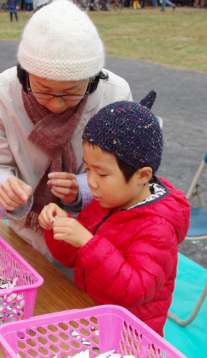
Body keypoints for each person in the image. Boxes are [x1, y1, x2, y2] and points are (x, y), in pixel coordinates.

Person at [0, 0, 132, 259]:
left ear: (92, 81)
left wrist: (84, 187)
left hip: (96, 237)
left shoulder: (115, 94)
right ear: (24, 75)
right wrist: (3, 187)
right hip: (27, 234)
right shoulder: (1, 93)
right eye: (43, 90)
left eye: (71, 92)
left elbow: (129, 171)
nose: (57, 103)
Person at [39, 91, 189, 335]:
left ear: (142, 176)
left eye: (103, 174)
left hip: (129, 336)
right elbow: (71, 258)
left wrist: (87, 242)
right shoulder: (106, 201)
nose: (91, 183)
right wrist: (59, 226)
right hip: (92, 319)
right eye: (87, 169)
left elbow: (136, 290)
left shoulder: (157, 227)